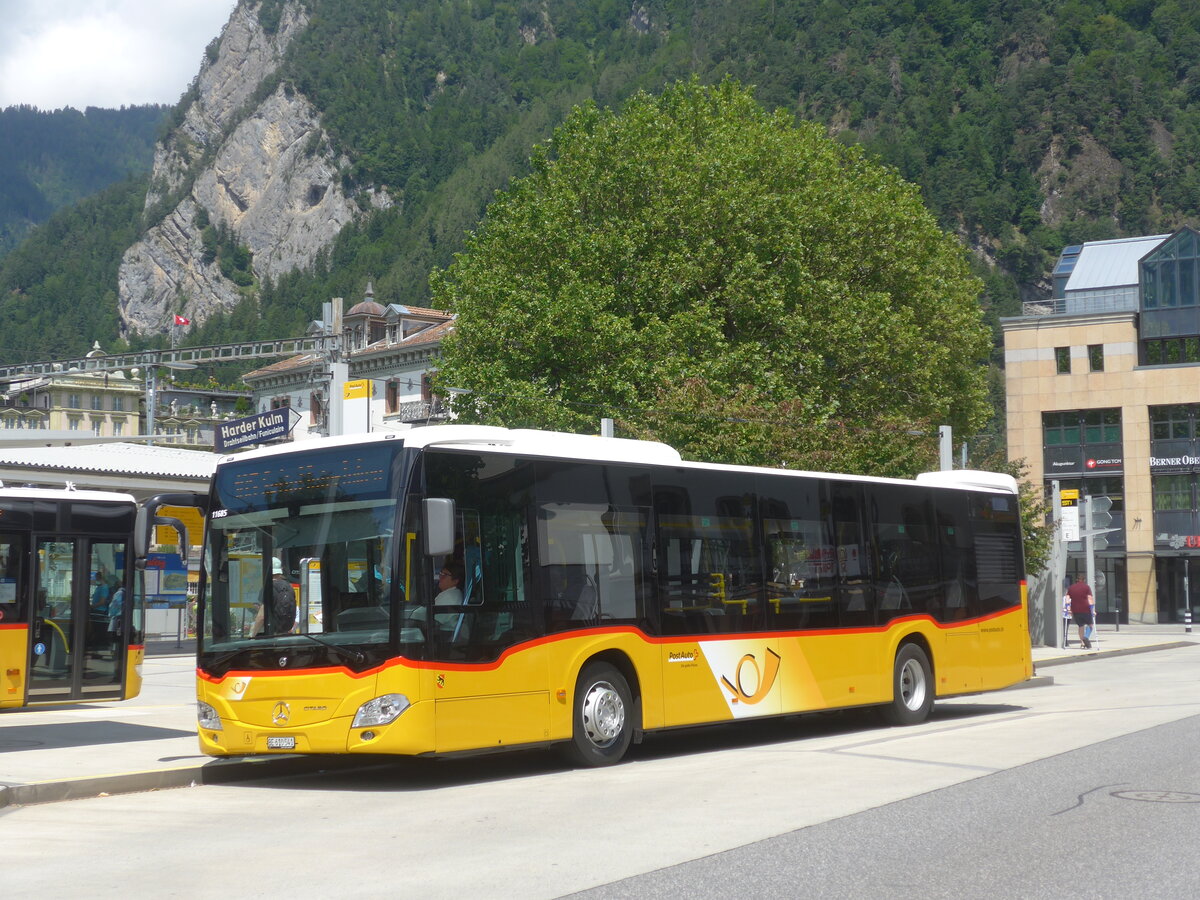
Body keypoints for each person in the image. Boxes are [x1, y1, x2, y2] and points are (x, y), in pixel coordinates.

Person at [251, 559, 296, 636]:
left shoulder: (268, 587)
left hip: (272, 634)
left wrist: (253, 634)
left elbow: (261, 617)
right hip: (286, 633)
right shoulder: (289, 586)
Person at [1066, 574, 1095, 649]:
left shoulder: (1071, 588)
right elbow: (1090, 599)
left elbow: (1067, 599)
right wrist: (1092, 610)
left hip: (1075, 610)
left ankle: (1082, 642)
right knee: (1090, 625)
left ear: (1077, 580)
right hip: (1086, 609)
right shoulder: (1086, 587)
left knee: (1081, 626)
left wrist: (1068, 609)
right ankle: (1086, 637)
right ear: (1084, 580)